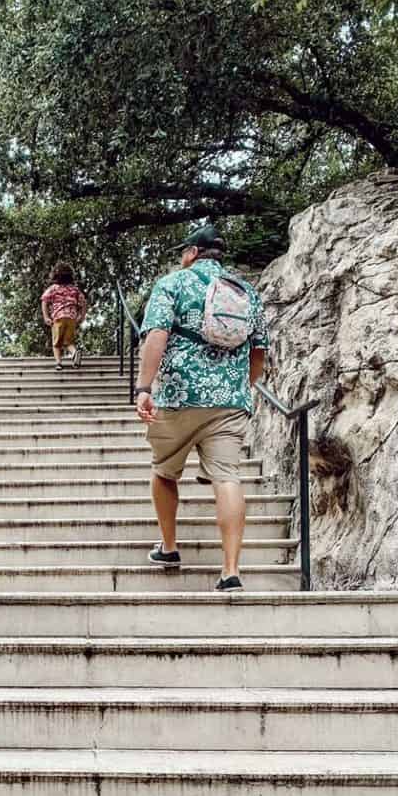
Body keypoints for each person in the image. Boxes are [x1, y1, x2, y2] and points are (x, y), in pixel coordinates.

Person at [133, 223, 270, 591]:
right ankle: (230, 571)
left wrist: (144, 387)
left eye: (184, 251)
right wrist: (241, 387)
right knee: (227, 476)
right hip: (229, 402)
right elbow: (259, 354)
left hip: (179, 396)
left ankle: (170, 547)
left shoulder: (173, 283)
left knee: (164, 470)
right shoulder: (246, 292)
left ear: (192, 253)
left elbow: (156, 336)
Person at [41, 262, 88, 368]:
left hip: (58, 318)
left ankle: (58, 363)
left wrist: (46, 317)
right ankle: (74, 353)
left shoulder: (53, 288)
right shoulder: (74, 289)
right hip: (71, 318)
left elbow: (44, 301)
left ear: (55, 276)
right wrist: (82, 316)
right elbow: (84, 302)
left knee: (56, 343)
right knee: (68, 342)